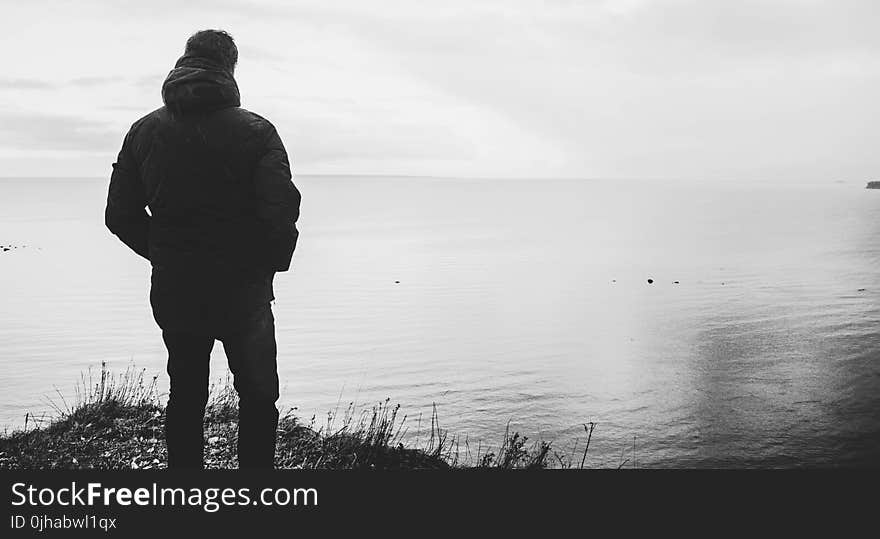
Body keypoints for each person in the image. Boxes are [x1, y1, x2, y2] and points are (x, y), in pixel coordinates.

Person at [105, 29, 301, 469]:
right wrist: (269, 264)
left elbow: (120, 215)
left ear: (185, 61)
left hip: (177, 287)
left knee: (186, 394)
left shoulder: (143, 131)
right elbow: (280, 211)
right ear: (230, 68)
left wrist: (165, 252)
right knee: (257, 396)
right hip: (243, 291)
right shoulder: (258, 130)